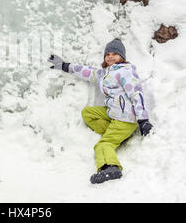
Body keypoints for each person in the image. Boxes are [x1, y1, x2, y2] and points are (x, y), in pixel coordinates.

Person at [48, 38, 153, 184]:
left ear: (122, 56)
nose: (110, 56)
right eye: (108, 54)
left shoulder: (125, 71)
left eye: (114, 54)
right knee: (88, 113)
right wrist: (65, 66)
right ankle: (117, 136)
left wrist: (143, 120)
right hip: (113, 114)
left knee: (103, 145)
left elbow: (136, 93)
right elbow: (87, 72)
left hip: (126, 117)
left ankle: (110, 167)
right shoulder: (104, 73)